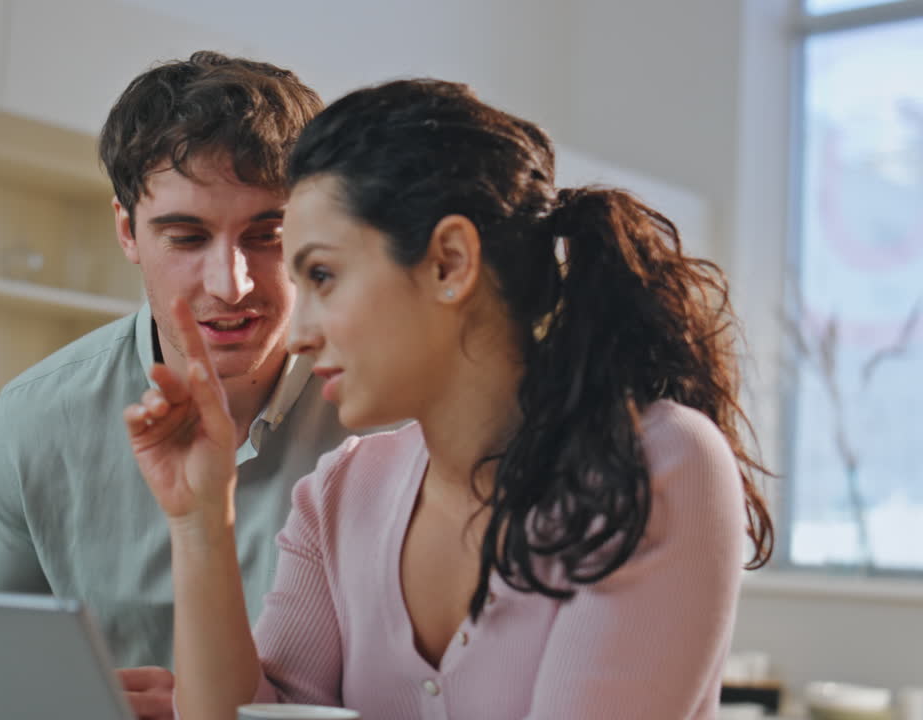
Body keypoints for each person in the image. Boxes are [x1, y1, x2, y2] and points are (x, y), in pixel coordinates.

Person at [126, 79, 776, 720]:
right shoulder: (341, 494)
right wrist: (201, 522)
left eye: (323, 275)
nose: (298, 333)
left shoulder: (659, 463)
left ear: (449, 263)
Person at [0, 52, 352, 720]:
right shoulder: (37, 420)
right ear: (127, 231)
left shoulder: (389, 416)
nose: (230, 285)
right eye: (186, 236)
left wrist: (223, 706)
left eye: (269, 234)